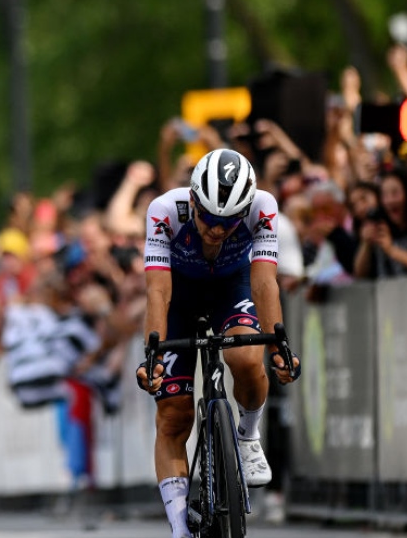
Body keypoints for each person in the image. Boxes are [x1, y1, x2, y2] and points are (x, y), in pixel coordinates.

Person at [135, 148, 300, 538]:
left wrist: (279, 344)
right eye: (208, 217)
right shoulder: (163, 211)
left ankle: (247, 435)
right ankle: (179, 528)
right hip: (180, 294)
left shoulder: (263, 207)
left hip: (233, 284)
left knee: (246, 360)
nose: (216, 229)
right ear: (192, 200)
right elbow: (158, 292)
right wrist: (152, 356)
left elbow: (263, 282)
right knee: (174, 415)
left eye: (228, 221)